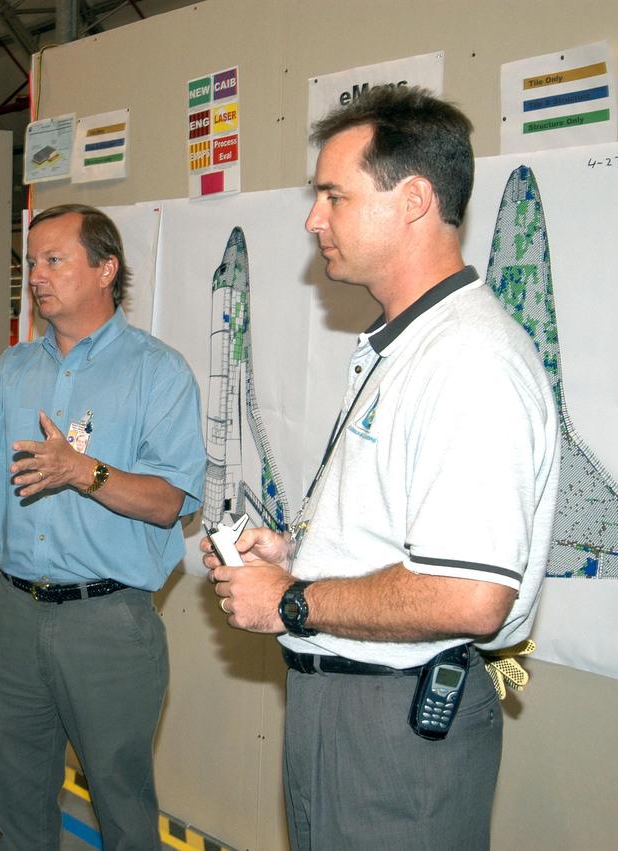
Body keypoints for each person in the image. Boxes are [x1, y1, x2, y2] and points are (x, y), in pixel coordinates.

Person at [203, 86, 560, 850]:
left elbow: (470, 597)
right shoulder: (412, 344)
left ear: (413, 200)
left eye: (334, 195)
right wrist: (300, 557)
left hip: (392, 734)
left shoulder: (469, 361)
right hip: (351, 713)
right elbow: (405, 537)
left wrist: (293, 601)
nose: (313, 219)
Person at [0, 204, 204, 850]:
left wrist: (80, 470)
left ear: (105, 269)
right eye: (31, 262)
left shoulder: (158, 372)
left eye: (53, 259)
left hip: (108, 622)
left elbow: (170, 500)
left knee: (123, 808)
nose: (36, 275)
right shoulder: (11, 372)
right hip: (13, 616)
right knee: (16, 803)